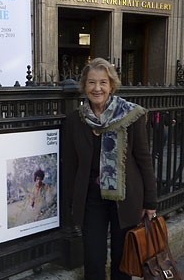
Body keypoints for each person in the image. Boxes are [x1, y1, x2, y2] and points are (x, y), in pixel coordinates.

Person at [63, 57, 157, 280]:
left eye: (103, 82)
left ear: (111, 85)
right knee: (93, 261)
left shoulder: (131, 115)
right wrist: (70, 200)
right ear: (84, 86)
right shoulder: (76, 120)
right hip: (91, 199)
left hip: (126, 199)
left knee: (122, 262)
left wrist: (150, 203)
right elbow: (70, 165)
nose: (97, 88)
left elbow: (144, 160)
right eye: (92, 83)